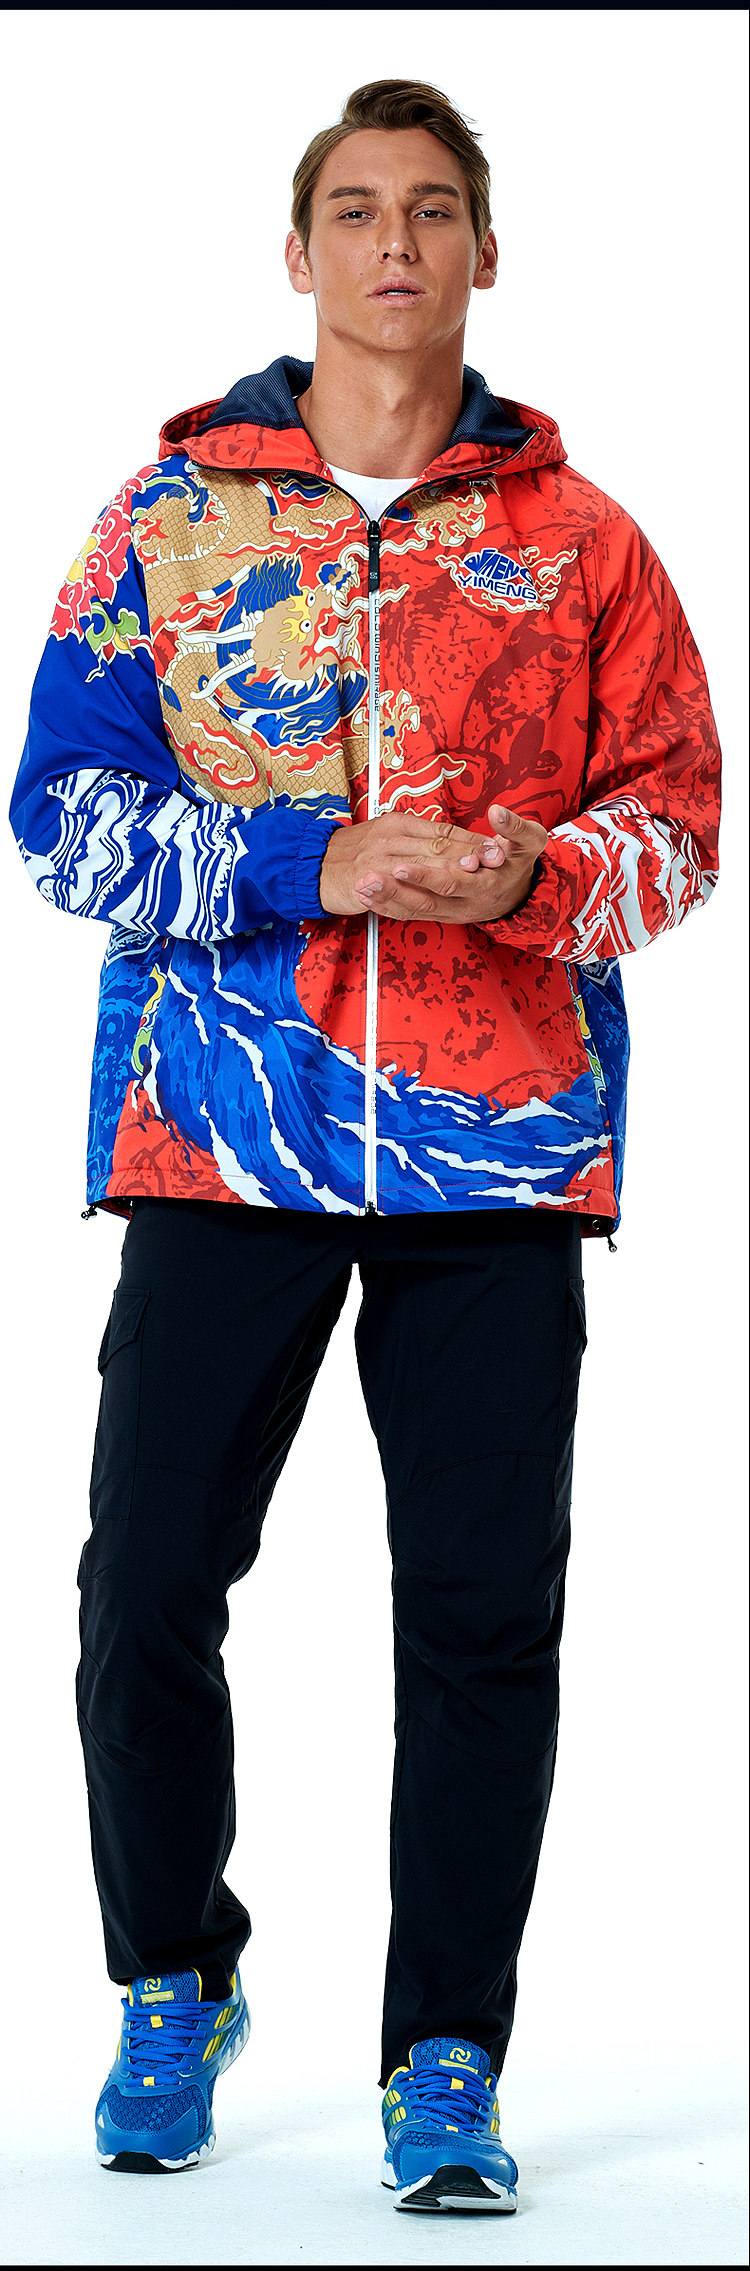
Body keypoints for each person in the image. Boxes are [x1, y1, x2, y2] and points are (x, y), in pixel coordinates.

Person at [9, 75, 722, 2213]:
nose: (393, 244)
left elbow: (678, 825)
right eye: (354, 210)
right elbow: (62, 814)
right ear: (298, 251)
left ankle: (445, 2055)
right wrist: (312, 862)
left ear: (486, 254)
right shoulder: (167, 521)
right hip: (220, 1141)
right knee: (147, 1583)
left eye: (430, 211)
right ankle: (173, 1979)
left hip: (496, 1159)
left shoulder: (585, 543)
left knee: (484, 1617)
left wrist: (537, 879)